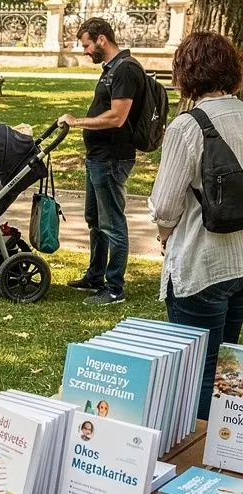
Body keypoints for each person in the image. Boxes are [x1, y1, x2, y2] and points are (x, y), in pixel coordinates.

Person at [149, 31, 243, 420]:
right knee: (226, 364)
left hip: (201, 264)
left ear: (185, 73)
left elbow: (166, 206)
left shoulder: (187, 126)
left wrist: (163, 236)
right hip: (240, 262)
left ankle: (197, 454)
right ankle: (222, 448)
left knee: (196, 374)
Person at [58, 17, 146, 306]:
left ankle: (115, 287)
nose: (84, 51)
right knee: (95, 220)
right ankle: (95, 275)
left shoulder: (126, 70)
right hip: (98, 157)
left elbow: (117, 117)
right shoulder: (112, 69)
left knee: (112, 223)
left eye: (86, 45)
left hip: (112, 159)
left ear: (101, 39)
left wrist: (77, 121)